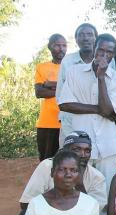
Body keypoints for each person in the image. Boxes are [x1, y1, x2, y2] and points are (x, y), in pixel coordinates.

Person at [18, 131, 106, 215]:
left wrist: (79, 182)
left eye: (87, 150)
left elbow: (91, 214)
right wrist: (51, 214)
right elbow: (26, 202)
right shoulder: (47, 167)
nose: (82, 154)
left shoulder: (96, 177)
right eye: (77, 149)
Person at [58, 33, 116, 189]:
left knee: (107, 190)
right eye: (100, 50)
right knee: (78, 189)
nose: (104, 55)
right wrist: (98, 109)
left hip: (108, 147)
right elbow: (65, 104)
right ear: (94, 48)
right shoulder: (74, 72)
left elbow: (111, 113)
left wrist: (101, 78)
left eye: (109, 52)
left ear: (113, 54)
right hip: (80, 146)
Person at [56, 23, 116, 145]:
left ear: (96, 39)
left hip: (101, 121)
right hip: (71, 120)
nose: (85, 38)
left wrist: (104, 111)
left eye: (89, 34)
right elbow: (61, 97)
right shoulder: (68, 61)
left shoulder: (110, 60)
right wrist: (99, 109)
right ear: (76, 40)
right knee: (71, 155)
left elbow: (110, 87)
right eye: (81, 35)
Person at [34, 33, 67, 161]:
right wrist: (63, 88)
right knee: (46, 162)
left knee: (66, 161)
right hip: (47, 123)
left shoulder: (71, 66)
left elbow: (74, 90)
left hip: (67, 122)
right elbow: (39, 93)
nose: (61, 48)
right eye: (57, 45)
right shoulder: (41, 67)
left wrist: (50, 84)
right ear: (50, 47)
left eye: (64, 45)